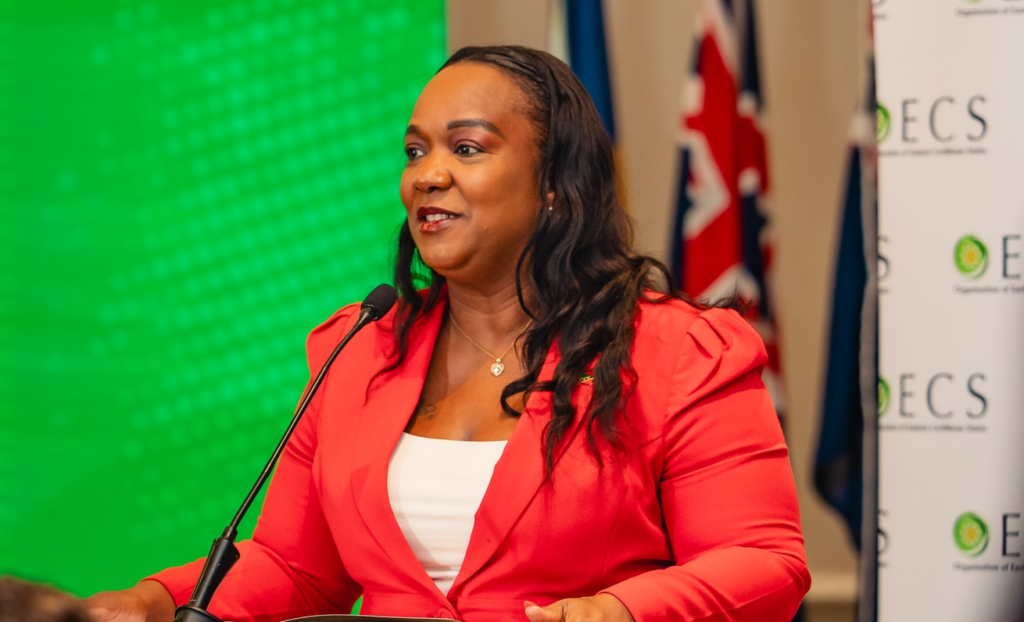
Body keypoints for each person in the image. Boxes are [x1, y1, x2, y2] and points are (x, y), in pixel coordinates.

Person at [85, 45, 810, 622]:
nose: (427, 175)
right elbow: (296, 568)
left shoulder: (678, 353)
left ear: (553, 182)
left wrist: (622, 610)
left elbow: (763, 560)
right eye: (415, 151)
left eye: (466, 149)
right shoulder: (360, 349)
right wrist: (155, 601)